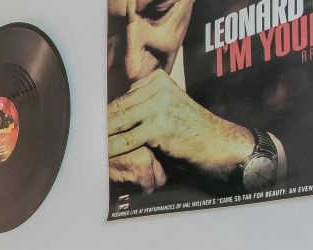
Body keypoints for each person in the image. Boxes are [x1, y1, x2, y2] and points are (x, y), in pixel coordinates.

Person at [107, 0, 287, 196]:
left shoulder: (257, 63)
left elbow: (302, 167)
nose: (132, 67)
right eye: (108, 30)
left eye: (159, 11)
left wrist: (230, 144)